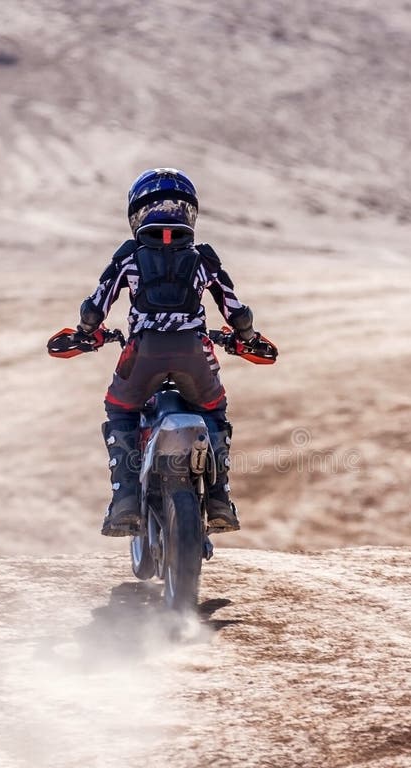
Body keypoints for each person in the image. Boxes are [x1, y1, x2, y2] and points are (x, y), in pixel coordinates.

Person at [76, 168, 262, 537]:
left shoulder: (129, 257)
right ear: (190, 212)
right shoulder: (204, 258)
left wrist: (86, 333)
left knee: (120, 409)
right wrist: (247, 336)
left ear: (135, 214)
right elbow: (236, 310)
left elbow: (95, 308)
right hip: (195, 354)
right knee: (214, 409)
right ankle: (220, 497)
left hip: (141, 354)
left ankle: (125, 499)